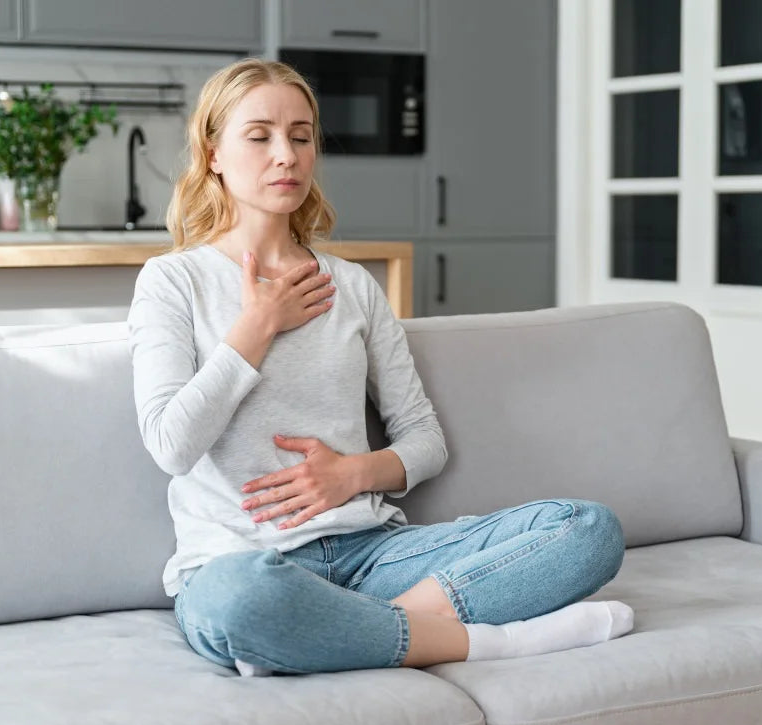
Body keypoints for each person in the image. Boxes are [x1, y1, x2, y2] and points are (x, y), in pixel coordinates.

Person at [127, 58, 633, 677]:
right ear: (213, 154)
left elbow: (425, 441)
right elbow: (171, 446)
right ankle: (487, 642)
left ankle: (343, 631)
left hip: (372, 555)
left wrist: (353, 474)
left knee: (587, 529)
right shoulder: (173, 281)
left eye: (301, 135)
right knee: (241, 602)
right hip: (242, 560)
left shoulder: (354, 287)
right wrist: (256, 327)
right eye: (259, 136)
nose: (285, 154)